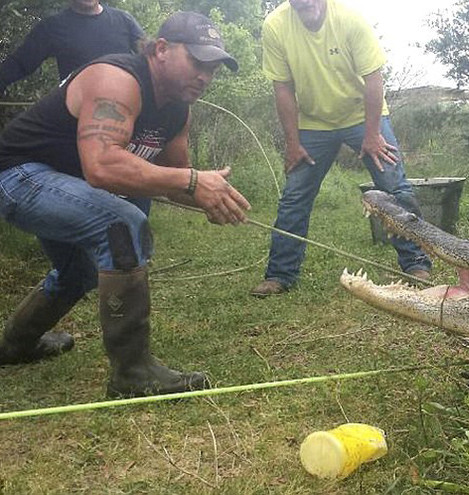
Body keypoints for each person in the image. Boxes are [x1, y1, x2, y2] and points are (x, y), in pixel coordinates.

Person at [0, 12, 249, 398]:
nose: (205, 76)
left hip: (60, 183)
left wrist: (209, 196)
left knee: (77, 273)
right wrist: (192, 181)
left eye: (213, 69)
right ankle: (132, 373)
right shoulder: (117, 80)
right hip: (15, 174)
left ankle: (15, 346)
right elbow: (102, 166)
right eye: (198, 62)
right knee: (121, 223)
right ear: (162, 49)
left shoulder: (177, 110)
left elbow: (172, 177)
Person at [252, 0, 432, 297]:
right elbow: (282, 88)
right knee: (294, 197)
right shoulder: (275, 26)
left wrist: (373, 133)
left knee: (394, 187)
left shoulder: (349, 19)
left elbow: (373, 79)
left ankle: (416, 264)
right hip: (313, 123)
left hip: (363, 116)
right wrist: (293, 143)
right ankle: (279, 275)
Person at [0, 0, 145, 95]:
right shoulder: (52, 27)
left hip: (127, 113)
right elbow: (20, 63)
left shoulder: (124, 20)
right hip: (76, 119)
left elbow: (150, 60)